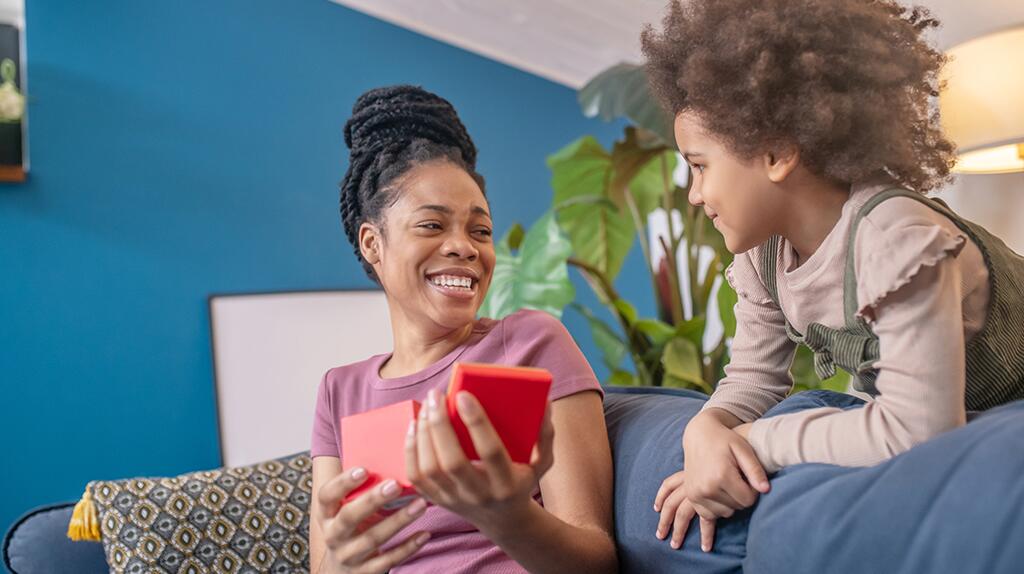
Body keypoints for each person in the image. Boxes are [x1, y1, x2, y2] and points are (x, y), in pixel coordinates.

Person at [640, 0, 1024, 554]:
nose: (694, 194)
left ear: (777, 153)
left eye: (699, 165)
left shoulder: (896, 239)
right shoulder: (763, 255)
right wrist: (705, 433)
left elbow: (920, 432)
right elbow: (753, 380)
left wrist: (753, 440)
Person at [308, 85, 617, 574]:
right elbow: (326, 563)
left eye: (480, 230)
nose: (465, 247)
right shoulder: (338, 392)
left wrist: (508, 518)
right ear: (372, 243)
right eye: (432, 225)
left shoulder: (530, 344)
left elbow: (597, 562)